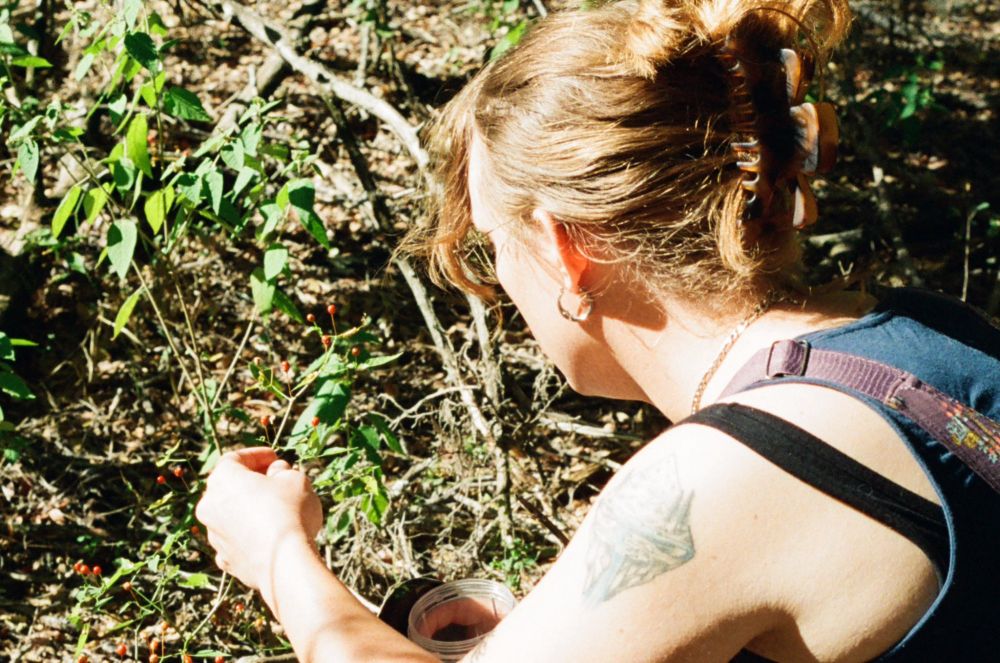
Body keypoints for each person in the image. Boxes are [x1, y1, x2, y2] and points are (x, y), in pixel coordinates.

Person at [195, 0, 1000, 661]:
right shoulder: (925, 330)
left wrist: (277, 553)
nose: (500, 283)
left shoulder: (730, 470)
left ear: (564, 247)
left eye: (494, 245)